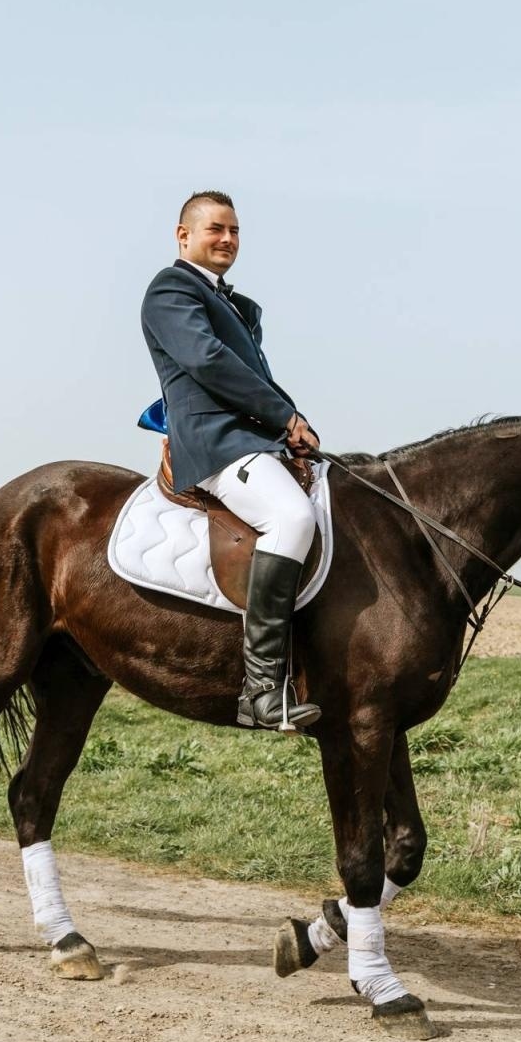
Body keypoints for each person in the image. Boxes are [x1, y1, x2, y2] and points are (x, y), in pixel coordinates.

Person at [140, 190, 323, 732]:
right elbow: (207, 360)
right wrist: (285, 417)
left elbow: (256, 378)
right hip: (215, 440)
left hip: (254, 436)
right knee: (291, 517)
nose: (227, 239)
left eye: (235, 231)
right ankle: (261, 690)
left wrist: (293, 423)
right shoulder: (171, 288)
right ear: (184, 235)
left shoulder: (233, 303)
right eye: (216, 229)